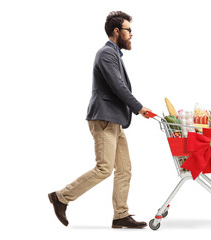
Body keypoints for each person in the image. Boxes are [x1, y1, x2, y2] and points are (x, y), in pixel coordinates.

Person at [48, 11, 151, 229]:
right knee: (104, 168)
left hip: (114, 120)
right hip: (104, 118)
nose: (131, 34)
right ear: (117, 31)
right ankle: (61, 197)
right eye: (128, 30)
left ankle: (120, 215)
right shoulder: (106, 53)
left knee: (124, 169)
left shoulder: (114, 54)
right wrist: (139, 108)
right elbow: (117, 86)